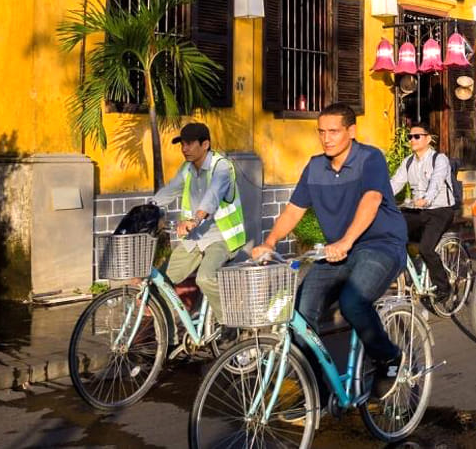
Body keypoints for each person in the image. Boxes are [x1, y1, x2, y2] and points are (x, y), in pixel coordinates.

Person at [251, 103, 409, 398]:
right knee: (299, 313)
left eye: (334, 131)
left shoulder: (369, 158)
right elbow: (294, 210)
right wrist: (270, 242)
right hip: (336, 251)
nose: (327, 138)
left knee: (353, 302)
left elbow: (372, 199)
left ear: (351, 131)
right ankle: (317, 389)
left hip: (380, 245)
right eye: (321, 132)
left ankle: (388, 357)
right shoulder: (314, 166)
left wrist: (347, 241)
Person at [153, 122, 247, 320]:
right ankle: (169, 331)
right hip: (195, 238)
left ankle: (232, 321)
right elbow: (170, 190)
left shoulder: (221, 167)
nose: (184, 149)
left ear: (205, 145)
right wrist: (147, 208)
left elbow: (212, 197)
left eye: (189, 144)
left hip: (222, 238)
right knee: (160, 280)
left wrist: (194, 220)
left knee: (205, 279)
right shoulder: (187, 168)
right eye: (182, 144)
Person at [389, 122, 458, 303]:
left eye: (417, 136)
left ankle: (444, 287)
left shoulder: (439, 159)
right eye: (410, 137)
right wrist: (376, 196)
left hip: (440, 210)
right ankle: (405, 274)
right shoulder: (408, 162)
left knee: (426, 248)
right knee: (391, 231)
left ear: (428, 139)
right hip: (417, 210)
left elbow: (435, 182)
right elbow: (395, 183)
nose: (412, 140)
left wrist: (426, 199)